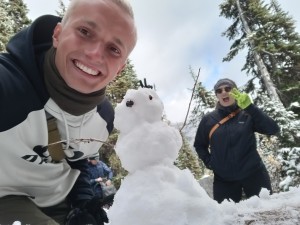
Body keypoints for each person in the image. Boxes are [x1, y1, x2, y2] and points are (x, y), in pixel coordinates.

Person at [0, 0, 137, 224]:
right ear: (57, 34)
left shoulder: (104, 118)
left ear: (119, 68)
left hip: (61, 201)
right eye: (85, 32)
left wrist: (82, 200)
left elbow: (79, 159)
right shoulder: (7, 87)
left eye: (113, 49)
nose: (94, 54)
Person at [194, 78, 279, 204]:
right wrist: (211, 163)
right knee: (228, 218)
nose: (224, 92)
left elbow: (273, 129)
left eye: (228, 89)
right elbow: (199, 145)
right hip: (224, 180)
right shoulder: (208, 120)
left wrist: (250, 107)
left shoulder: (247, 113)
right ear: (217, 95)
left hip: (254, 174)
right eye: (219, 90)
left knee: (267, 212)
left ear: (235, 91)